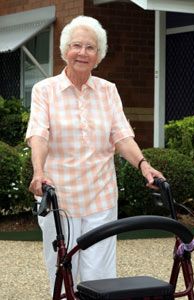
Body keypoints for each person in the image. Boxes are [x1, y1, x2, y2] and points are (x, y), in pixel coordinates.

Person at [26, 15, 164, 295]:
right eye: (77, 45)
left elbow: (122, 136)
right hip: (59, 197)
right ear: (65, 50)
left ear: (98, 55)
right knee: (62, 270)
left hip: (100, 196)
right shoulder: (45, 90)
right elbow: (39, 134)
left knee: (100, 277)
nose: (83, 53)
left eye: (90, 48)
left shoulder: (107, 91)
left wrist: (143, 164)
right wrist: (39, 171)